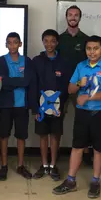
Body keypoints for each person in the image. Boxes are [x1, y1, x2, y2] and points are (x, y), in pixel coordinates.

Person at [52, 35, 101, 199]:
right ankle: (70, 180)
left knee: (99, 149)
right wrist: (81, 83)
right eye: (89, 48)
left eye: (95, 48)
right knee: (77, 146)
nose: (92, 52)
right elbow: (70, 89)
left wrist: (89, 97)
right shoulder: (81, 66)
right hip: (82, 113)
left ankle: (95, 181)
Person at [0, 32, 36, 181]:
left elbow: (27, 82)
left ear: (20, 44)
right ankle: (4, 166)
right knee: (4, 135)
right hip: (5, 104)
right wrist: (19, 81)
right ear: (6, 44)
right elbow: (4, 83)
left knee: (21, 136)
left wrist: (12, 81)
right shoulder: (0, 61)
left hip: (22, 105)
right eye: (9, 42)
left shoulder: (27, 61)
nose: (12, 45)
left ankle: (20, 165)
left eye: (15, 42)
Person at [32, 29, 71, 181]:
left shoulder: (64, 62)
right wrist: (36, 108)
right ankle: (44, 165)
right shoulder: (36, 61)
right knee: (42, 136)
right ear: (43, 42)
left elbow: (67, 86)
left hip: (57, 108)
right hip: (41, 107)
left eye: (52, 41)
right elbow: (33, 85)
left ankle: (53, 165)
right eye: (46, 41)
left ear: (57, 43)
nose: (49, 44)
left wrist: (60, 106)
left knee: (55, 135)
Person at [57, 5, 92, 165]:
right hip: (61, 86)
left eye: (76, 15)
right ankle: (54, 154)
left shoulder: (86, 39)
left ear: (80, 18)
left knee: (83, 119)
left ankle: (85, 153)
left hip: (80, 86)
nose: (73, 17)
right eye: (70, 14)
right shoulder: (59, 39)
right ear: (66, 17)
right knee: (57, 119)